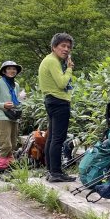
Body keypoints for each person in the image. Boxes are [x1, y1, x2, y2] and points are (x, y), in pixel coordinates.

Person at [38, 33, 75, 182]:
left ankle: (51, 170)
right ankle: (56, 172)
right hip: (59, 102)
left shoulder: (49, 60)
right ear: (54, 47)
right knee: (58, 138)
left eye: (68, 47)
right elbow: (62, 83)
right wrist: (69, 69)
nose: (66, 49)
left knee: (52, 137)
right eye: (62, 46)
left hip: (51, 100)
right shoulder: (52, 61)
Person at [0, 61, 25, 176]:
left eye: (14, 69)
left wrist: (21, 99)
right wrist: (3, 105)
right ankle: (1, 167)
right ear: (4, 71)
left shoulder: (16, 85)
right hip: (2, 116)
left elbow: (16, 103)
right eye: (9, 69)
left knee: (13, 144)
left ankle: (8, 166)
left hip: (14, 116)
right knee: (5, 144)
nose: (12, 71)